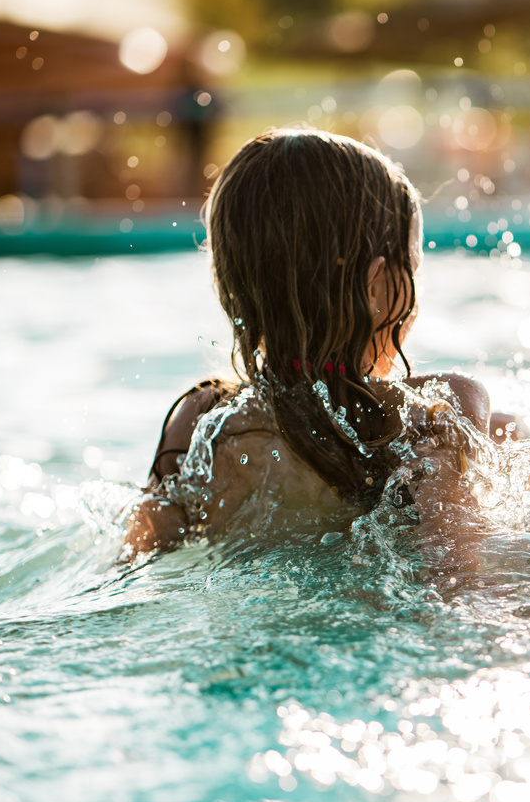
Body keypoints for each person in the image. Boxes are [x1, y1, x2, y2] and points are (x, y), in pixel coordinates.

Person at [124, 129, 489, 559]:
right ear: (375, 287)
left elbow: (138, 555)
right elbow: (456, 566)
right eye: (413, 270)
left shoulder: (201, 421)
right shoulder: (436, 408)